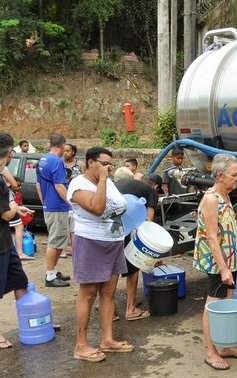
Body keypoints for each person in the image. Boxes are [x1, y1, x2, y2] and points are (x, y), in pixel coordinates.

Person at [68, 147, 133, 362]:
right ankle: (81, 345)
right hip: (91, 242)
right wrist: (104, 180)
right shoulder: (78, 185)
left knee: (109, 292)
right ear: (90, 162)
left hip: (113, 242)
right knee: (88, 294)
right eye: (104, 163)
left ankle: (107, 340)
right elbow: (97, 207)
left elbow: (121, 207)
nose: (109, 167)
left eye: (110, 164)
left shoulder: (109, 183)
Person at [193, 154, 237, 370]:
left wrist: (236, 261)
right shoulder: (211, 199)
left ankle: (225, 347)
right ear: (220, 176)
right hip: (217, 263)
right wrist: (224, 268)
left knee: (227, 303)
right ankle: (211, 352)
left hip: (229, 261)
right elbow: (211, 237)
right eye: (234, 175)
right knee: (213, 305)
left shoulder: (225, 197)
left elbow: (229, 233)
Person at [0, 133, 37, 349]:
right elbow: (5, 214)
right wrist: (13, 208)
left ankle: (31, 321)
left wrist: (16, 208)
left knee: (20, 282)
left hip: (6, 243)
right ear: (10, 153)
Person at [114, 173, 161, 321]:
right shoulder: (151, 191)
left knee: (111, 270)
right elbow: (148, 219)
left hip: (111, 228)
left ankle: (108, 308)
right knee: (133, 269)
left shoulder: (123, 183)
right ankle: (131, 309)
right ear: (157, 187)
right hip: (128, 229)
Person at [37, 134, 72, 287]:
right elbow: (59, 186)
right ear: (63, 146)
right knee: (55, 241)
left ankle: (54, 271)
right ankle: (50, 276)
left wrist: (44, 202)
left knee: (59, 240)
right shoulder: (57, 161)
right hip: (57, 207)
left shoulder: (43, 160)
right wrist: (72, 203)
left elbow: (38, 185)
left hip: (50, 205)